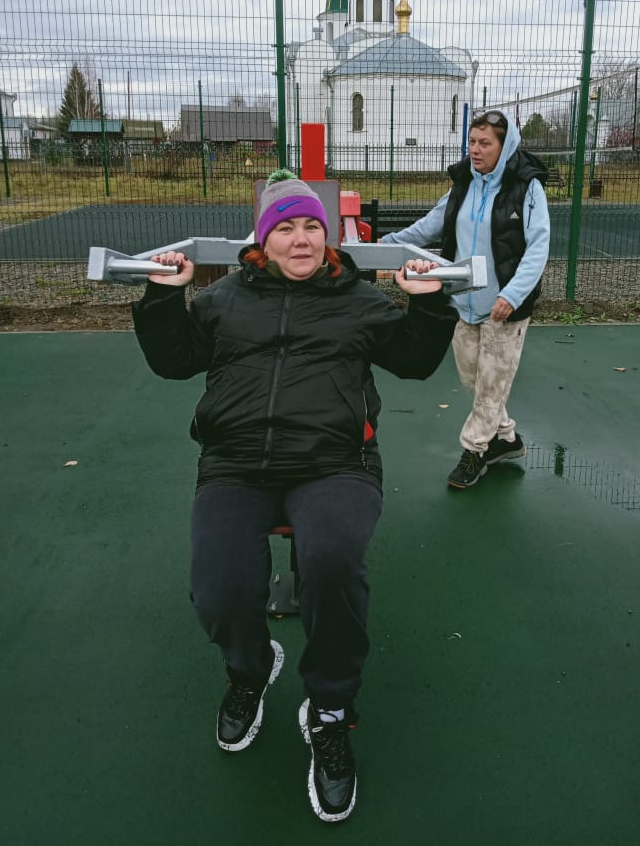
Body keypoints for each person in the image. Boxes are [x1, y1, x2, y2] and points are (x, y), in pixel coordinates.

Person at [132, 170, 457, 824]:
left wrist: (427, 304)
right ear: (263, 239)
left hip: (334, 461)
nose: (301, 238)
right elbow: (175, 359)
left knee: (333, 561)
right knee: (219, 588)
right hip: (237, 463)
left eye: (312, 225)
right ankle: (249, 672)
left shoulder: (357, 299)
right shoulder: (225, 298)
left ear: (330, 234)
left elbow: (416, 360)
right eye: (285, 227)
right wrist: (163, 299)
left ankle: (331, 708)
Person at [381, 110, 550, 489]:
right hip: (464, 302)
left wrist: (513, 293)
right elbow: (427, 228)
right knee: (474, 379)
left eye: (485, 143)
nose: (475, 150)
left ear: (505, 146)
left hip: (505, 307)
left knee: (492, 384)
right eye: (472, 141)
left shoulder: (527, 189)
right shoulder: (464, 185)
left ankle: (474, 451)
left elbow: (538, 248)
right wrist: (380, 247)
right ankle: (506, 439)